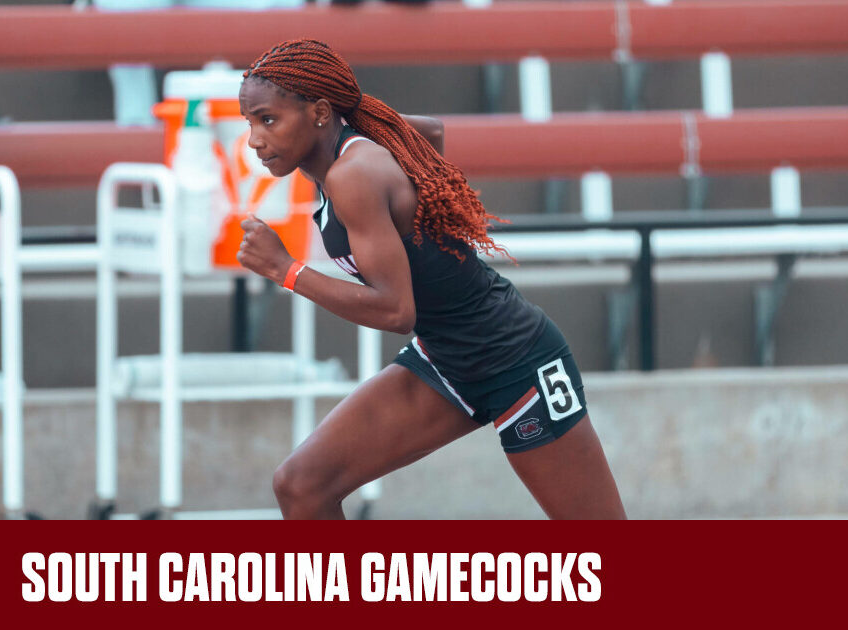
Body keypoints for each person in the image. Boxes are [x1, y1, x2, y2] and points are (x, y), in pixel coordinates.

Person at [236, 39, 625, 520]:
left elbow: (396, 311)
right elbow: (430, 132)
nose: (254, 139)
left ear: (319, 112)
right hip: (445, 360)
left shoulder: (351, 175)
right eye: (249, 122)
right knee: (301, 486)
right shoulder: (354, 154)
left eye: (267, 119)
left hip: (516, 361)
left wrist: (285, 269)